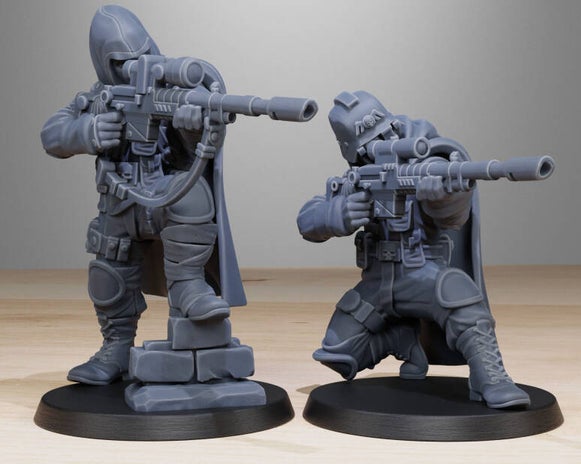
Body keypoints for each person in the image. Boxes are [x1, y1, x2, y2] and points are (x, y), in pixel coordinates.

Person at [41, 5, 245, 385]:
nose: (134, 69)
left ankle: (189, 289)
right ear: (104, 62)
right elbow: (51, 134)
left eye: (141, 57)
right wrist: (87, 131)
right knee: (108, 275)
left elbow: (197, 155)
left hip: (162, 196)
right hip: (119, 204)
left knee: (194, 197)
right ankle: (116, 348)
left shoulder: (171, 93)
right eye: (122, 62)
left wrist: (192, 128)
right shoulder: (97, 97)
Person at [297, 90, 530, 409]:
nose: (379, 148)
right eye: (367, 147)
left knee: (459, 293)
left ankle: (490, 377)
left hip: (421, 274)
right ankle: (399, 339)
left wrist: (443, 197)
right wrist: (337, 213)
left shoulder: (427, 164)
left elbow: (454, 217)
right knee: (337, 353)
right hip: (376, 284)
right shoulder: (355, 178)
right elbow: (307, 219)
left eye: (385, 136)